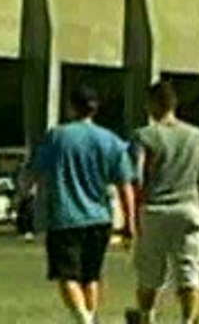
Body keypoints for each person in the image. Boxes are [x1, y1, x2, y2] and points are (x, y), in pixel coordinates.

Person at [32, 85, 136, 324]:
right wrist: (130, 222)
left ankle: (84, 320)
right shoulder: (111, 140)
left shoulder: (57, 136)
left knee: (66, 275)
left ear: (71, 107)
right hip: (100, 217)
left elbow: (38, 171)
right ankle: (91, 317)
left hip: (65, 217)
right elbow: (125, 184)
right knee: (91, 276)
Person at [128, 81, 199, 324]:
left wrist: (134, 209)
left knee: (150, 274)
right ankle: (188, 320)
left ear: (152, 104)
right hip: (188, 207)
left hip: (155, 209)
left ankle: (147, 316)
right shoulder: (197, 135)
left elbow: (136, 176)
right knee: (189, 270)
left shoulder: (144, 135)